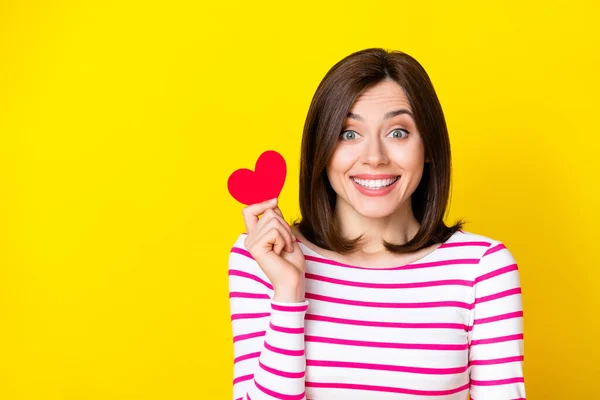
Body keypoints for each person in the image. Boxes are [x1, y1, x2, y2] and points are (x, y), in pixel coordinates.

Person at [228, 48, 525, 399]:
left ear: (428, 146)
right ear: (321, 147)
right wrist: (289, 294)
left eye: (398, 132)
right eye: (349, 133)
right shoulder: (262, 258)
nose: (374, 158)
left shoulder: (483, 268)